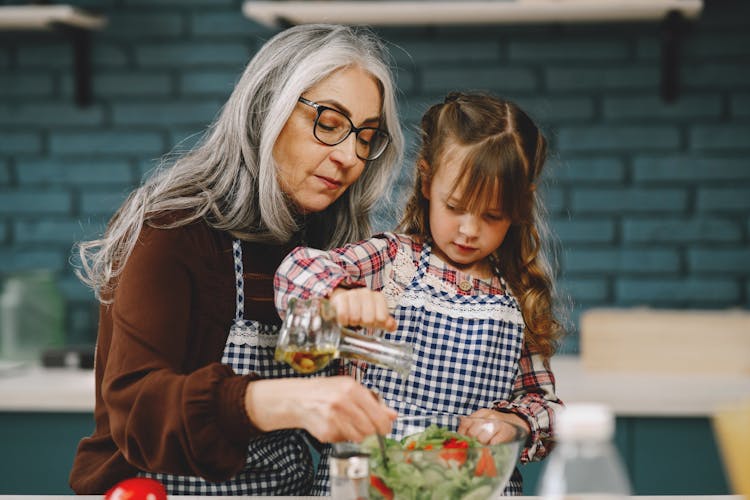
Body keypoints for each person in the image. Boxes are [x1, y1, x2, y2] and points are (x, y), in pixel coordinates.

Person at [68, 23, 405, 496]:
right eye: (328, 124)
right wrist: (276, 400)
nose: (350, 155)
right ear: (267, 110)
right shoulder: (171, 229)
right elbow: (137, 409)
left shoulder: (322, 249)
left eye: (366, 136)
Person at [275, 91, 565, 495]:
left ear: (520, 208)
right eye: (456, 206)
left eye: (491, 216)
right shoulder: (393, 260)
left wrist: (515, 424)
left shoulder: (517, 294)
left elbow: (545, 407)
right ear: (427, 181)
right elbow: (298, 269)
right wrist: (338, 294)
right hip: (370, 485)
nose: (468, 229)